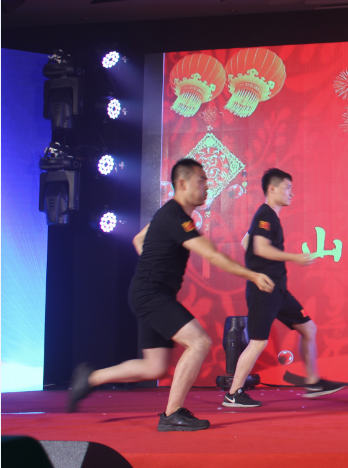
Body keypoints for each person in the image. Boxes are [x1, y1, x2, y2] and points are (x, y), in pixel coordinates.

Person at [67, 158, 275, 431]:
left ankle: (90, 378)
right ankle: (172, 414)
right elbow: (212, 255)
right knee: (199, 342)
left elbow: (139, 240)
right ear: (182, 183)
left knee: (154, 368)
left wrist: (153, 266)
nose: (206, 186)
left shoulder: (168, 214)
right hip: (152, 295)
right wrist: (253, 275)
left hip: (149, 292)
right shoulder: (175, 216)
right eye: (201, 181)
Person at [222, 168, 345, 409]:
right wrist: (293, 258)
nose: (291, 193)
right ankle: (234, 393)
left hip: (279, 291)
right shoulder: (265, 214)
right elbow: (259, 247)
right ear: (272, 189)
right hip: (264, 290)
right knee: (258, 342)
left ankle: (313, 382)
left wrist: (258, 265)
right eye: (287, 187)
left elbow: (247, 242)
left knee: (308, 328)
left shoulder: (269, 217)